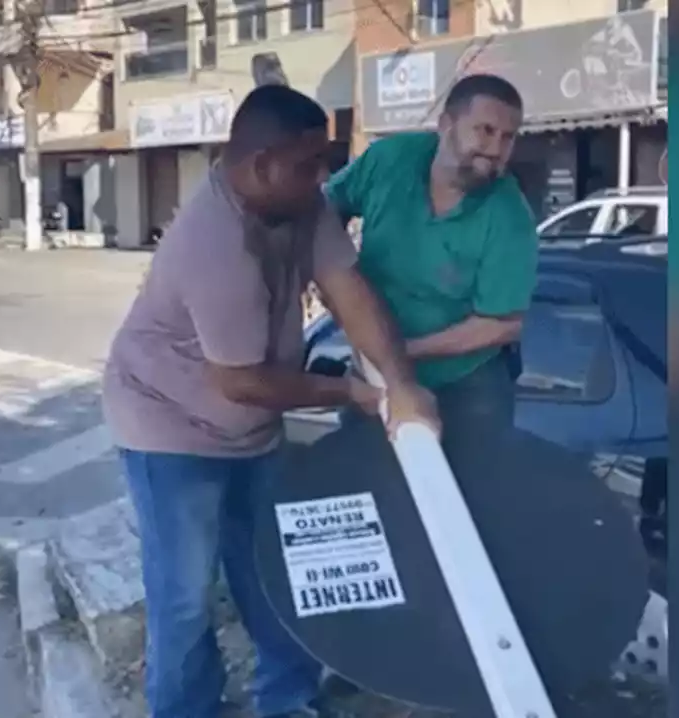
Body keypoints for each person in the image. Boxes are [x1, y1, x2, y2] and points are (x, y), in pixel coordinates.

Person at [102, 85, 437, 718]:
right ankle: (185, 709)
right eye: (310, 165)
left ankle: (287, 700)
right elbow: (244, 381)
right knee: (184, 594)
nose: (325, 177)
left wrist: (400, 382)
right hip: (167, 426)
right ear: (261, 166)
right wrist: (348, 391)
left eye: (325, 161)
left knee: (273, 571)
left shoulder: (302, 205)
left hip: (250, 432)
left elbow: (349, 287)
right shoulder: (214, 243)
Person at [324, 73, 538, 451]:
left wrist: (400, 351)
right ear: (445, 124)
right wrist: (331, 277)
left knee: (470, 493)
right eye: (485, 130)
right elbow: (325, 208)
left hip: (466, 385)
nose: (495, 148)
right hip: (374, 370)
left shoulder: (510, 215)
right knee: (358, 473)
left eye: (508, 137)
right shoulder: (389, 159)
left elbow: (501, 325)